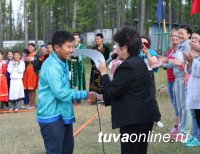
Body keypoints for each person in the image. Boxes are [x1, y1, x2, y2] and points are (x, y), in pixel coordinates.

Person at [95, 26, 159, 154]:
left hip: (135, 120)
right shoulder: (138, 62)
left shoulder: (127, 66)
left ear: (124, 47)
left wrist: (104, 73)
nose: (116, 49)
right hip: (142, 117)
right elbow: (124, 90)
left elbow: (112, 91)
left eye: (117, 45)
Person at [37, 30, 88, 154]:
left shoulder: (63, 62)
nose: (72, 50)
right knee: (56, 151)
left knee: (67, 150)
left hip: (63, 114)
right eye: (69, 47)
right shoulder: (52, 66)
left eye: (73, 46)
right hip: (51, 117)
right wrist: (85, 94)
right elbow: (61, 92)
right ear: (57, 47)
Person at [159, 25, 192, 141]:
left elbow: (182, 62)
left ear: (188, 35)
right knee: (179, 105)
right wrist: (161, 63)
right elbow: (174, 63)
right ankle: (181, 130)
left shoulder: (187, 45)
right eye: (179, 33)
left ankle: (185, 132)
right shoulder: (179, 47)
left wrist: (167, 60)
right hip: (177, 78)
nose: (179, 36)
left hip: (183, 78)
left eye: (182, 33)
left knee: (184, 106)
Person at [139, 36, 163, 128]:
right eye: (141, 43)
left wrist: (147, 54)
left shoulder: (152, 52)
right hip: (137, 76)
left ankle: (157, 119)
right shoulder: (135, 53)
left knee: (151, 98)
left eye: (145, 43)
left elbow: (153, 63)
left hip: (148, 75)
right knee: (139, 98)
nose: (143, 45)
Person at [183, 29, 200, 147]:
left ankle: (197, 137)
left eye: (196, 38)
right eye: (192, 38)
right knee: (194, 114)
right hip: (193, 89)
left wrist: (193, 60)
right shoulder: (194, 53)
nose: (193, 40)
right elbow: (189, 71)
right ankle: (194, 135)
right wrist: (189, 62)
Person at [162, 29, 180, 136]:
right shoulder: (170, 50)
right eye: (172, 36)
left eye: (176, 36)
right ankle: (177, 125)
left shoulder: (180, 50)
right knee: (174, 104)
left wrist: (162, 63)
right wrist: (161, 62)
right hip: (170, 79)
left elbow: (174, 63)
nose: (174, 37)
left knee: (178, 104)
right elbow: (168, 64)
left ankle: (178, 126)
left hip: (177, 79)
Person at [68, 32, 87, 106]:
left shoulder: (83, 47)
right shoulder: (69, 46)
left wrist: (78, 56)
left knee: (79, 83)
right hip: (70, 67)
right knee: (70, 83)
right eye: (74, 38)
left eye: (77, 38)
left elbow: (84, 57)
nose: (75, 40)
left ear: (79, 39)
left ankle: (78, 101)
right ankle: (71, 100)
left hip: (79, 68)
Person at [23, 43, 39, 109]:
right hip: (27, 72)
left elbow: (38, 64)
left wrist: (32, 60)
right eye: (29, 47)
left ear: (34, 47)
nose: (30, 48)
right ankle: (30, 103)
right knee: (29, 89)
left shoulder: (37, 55)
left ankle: (33, 104)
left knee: (32, 89)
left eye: (31, 47)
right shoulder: (28, 55)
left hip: (33, 73)